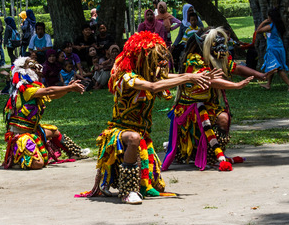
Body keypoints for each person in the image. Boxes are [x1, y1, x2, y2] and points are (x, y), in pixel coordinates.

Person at [79, 31, 221, 204]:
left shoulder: (147, 75)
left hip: (143, 134)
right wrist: (189, 77)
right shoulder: (127, 77)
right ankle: (128, 191)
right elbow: (153, 86)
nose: (158, 63)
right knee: (133, 137)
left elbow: (166, 77)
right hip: (120, 131)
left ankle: (134, 182)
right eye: (153, 58)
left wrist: (196, 77)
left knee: (158, 188)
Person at [161, 27, 268, 173]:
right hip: (189, 108)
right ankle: (197, 153)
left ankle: (212, 156)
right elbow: (211, 81)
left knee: (224, 118)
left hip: (209, 104)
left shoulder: (218, 58)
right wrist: (236, 85)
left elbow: (235, 68)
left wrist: (259, 75)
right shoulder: (194, 60)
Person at [2, 56, 90, 170]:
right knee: (38, 164)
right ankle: (16, 157)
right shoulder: (25, 90)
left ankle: (75, 152)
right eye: (34, 69)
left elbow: (52, 95)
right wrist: (68, 87)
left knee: (54, 131)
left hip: (33, 131)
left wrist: (68, 89)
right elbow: (49, 90)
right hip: (21, 135)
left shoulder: (34, 87)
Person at [256, 7, 289, 92]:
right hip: (280, 48)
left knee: (278, 68)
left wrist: (264, 22)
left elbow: (258, 31)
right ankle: (268, 84)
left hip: (272, 49)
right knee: (273, 67)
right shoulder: (280, 25)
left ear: (270, 17)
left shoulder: (270, 26)